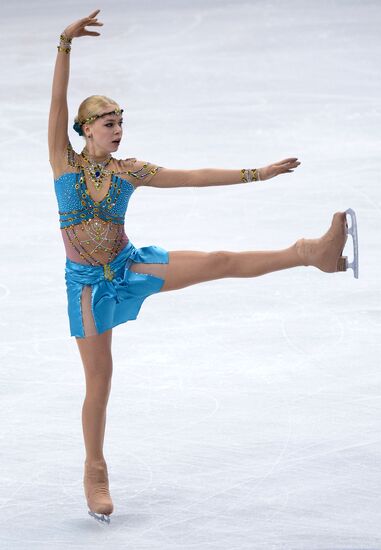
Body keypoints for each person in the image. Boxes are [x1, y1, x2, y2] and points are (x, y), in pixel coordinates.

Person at [48, 9, 358, 524]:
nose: (119, 130)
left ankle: (311, 253)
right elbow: (56, 103)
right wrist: (64, 43)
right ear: (86, 130)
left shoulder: (131, 172)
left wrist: (256, 174)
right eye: (109, 123)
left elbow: (192, 176)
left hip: (131, 268)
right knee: (99, 383)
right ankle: (95, 468)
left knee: (219, 261)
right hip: (87, 289)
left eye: (122, 122)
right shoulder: (64, 162)